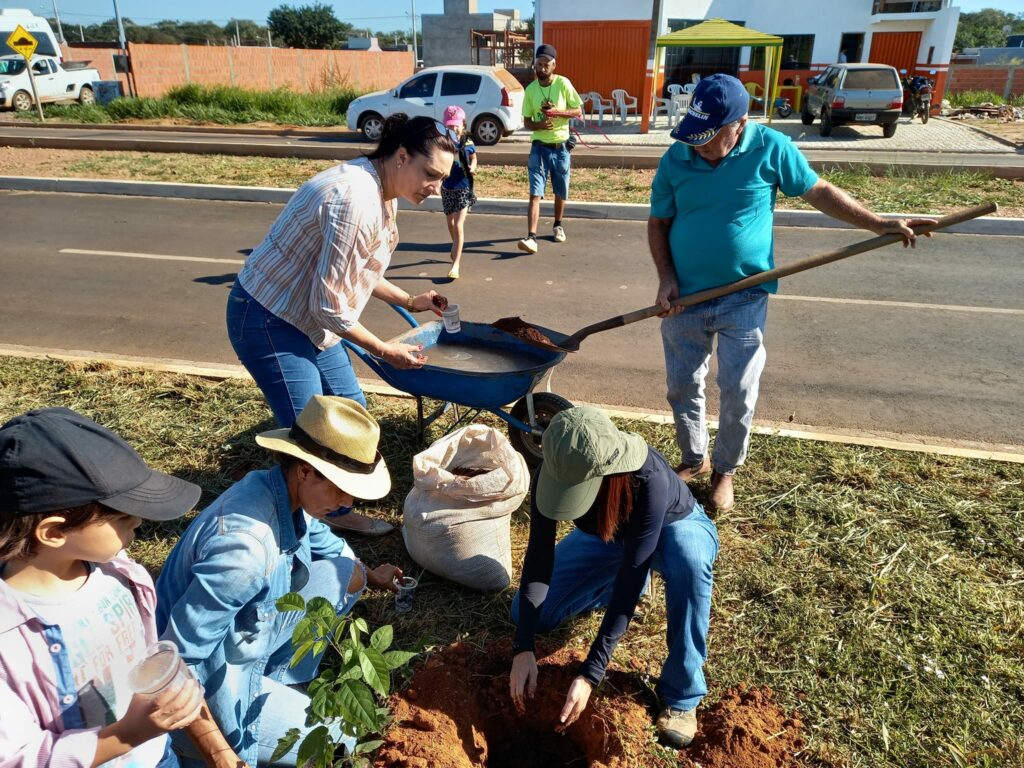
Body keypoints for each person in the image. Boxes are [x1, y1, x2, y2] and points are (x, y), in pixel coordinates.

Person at [648, 74, 934, 512]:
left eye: (710, 138)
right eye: (695, 137)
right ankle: (695, 458)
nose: (699, 147)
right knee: (682, 386)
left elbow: (817, 191)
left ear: (739, 124)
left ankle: (725, 469)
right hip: (685, 297)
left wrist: (877, 223)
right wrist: (666, 278)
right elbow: (659, 222)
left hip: (744, 295)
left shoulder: (771, 148)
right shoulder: (676, 158)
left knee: (738, 388)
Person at [227, 114, 457, 536]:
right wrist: (385, 350)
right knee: (313, 439)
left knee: (352, 416)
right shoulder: (356, 200)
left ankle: (335, 501)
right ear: (402, 156)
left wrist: (409, 299)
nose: (436, 188)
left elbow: (360, 269)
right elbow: (330, 305)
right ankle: (311, 524)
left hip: (310, 320)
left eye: (442, 179)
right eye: (431, 174)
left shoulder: (381, 189)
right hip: (268, 319)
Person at [155, 395, 404, 768]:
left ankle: (282, 684)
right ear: (305, 470)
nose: (348, 503)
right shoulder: (244, 553)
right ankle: (201, 749)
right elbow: (174, 664)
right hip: (210, 686)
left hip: (245, 639)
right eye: (339, 487)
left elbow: (329, 544)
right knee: (341, 738)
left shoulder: (277, 489)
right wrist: (222, 756)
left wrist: (368, 574)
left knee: (346, 572)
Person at [0, 407, 207, 768]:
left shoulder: (118, 572)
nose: (139, 522)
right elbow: (18, 757)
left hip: (155, 754)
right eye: (123, 517)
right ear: (53, 532)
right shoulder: (8, 638)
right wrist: (126, 736)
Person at [509, 406, 719, 749]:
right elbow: (538, 558)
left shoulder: (648, 480)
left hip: (671, 528)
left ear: (605, 473)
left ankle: (683, 694)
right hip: (610, 537)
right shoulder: (560, 464)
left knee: (689, 561)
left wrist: (591, 673)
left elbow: (631, 579)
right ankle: (600, 588)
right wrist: (523, 646)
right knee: (527, 614)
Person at [517, 44, 583, 255]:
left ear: (554, 65)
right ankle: (531, 237)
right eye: (539, 64)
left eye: (547, 64)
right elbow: (527, 121)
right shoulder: (530, 90)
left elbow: (578, 111)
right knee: (535, 192)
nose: (542, 68)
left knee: (560, 189)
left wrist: (557, 113)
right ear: (535, 65)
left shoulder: (563, 84)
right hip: (538, 147)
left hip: (560, 146)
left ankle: (557, 224)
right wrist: (539, 125)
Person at [440, 105, 478, 281]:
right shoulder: (443, 143)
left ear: (463, 124)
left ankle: (456, 264)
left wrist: (473, 167)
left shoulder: (467, 142)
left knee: (458, 225)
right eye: (449, 125)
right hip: (447, 188)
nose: (453, 128)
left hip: (463, 188)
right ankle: (455, 246)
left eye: (456, 125)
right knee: (449, 224)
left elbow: (474, 157)